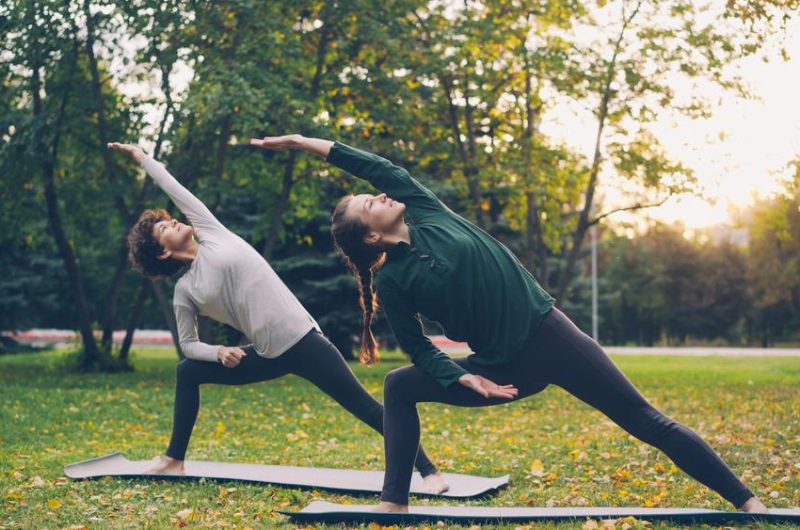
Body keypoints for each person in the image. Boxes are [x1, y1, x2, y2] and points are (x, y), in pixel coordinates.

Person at [249, 134, 768, 514]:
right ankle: (394, 502)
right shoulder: (394, 281)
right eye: (371, 204)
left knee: (645, 420)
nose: (381, 196)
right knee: (398, 385)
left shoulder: (428, 212)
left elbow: (375, 167)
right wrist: (462, 376)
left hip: (551, 336)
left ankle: (747, 501)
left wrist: (302, 143)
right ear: (370, 237)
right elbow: (419, 349)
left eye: (376, 194)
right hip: (500, 370)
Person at [106, 142, 447, 494]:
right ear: (163, 252)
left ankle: (429, 471)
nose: (174, 220)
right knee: (187, 371)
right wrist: (218, 352)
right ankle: (173, 458)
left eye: (169, 218)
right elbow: (189, 344)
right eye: (164, 228)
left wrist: (142, 158)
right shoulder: (185, 291)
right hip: (267, 354)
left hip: (304, 342)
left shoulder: (212, 233)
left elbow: (173, 187)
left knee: (366, 407)